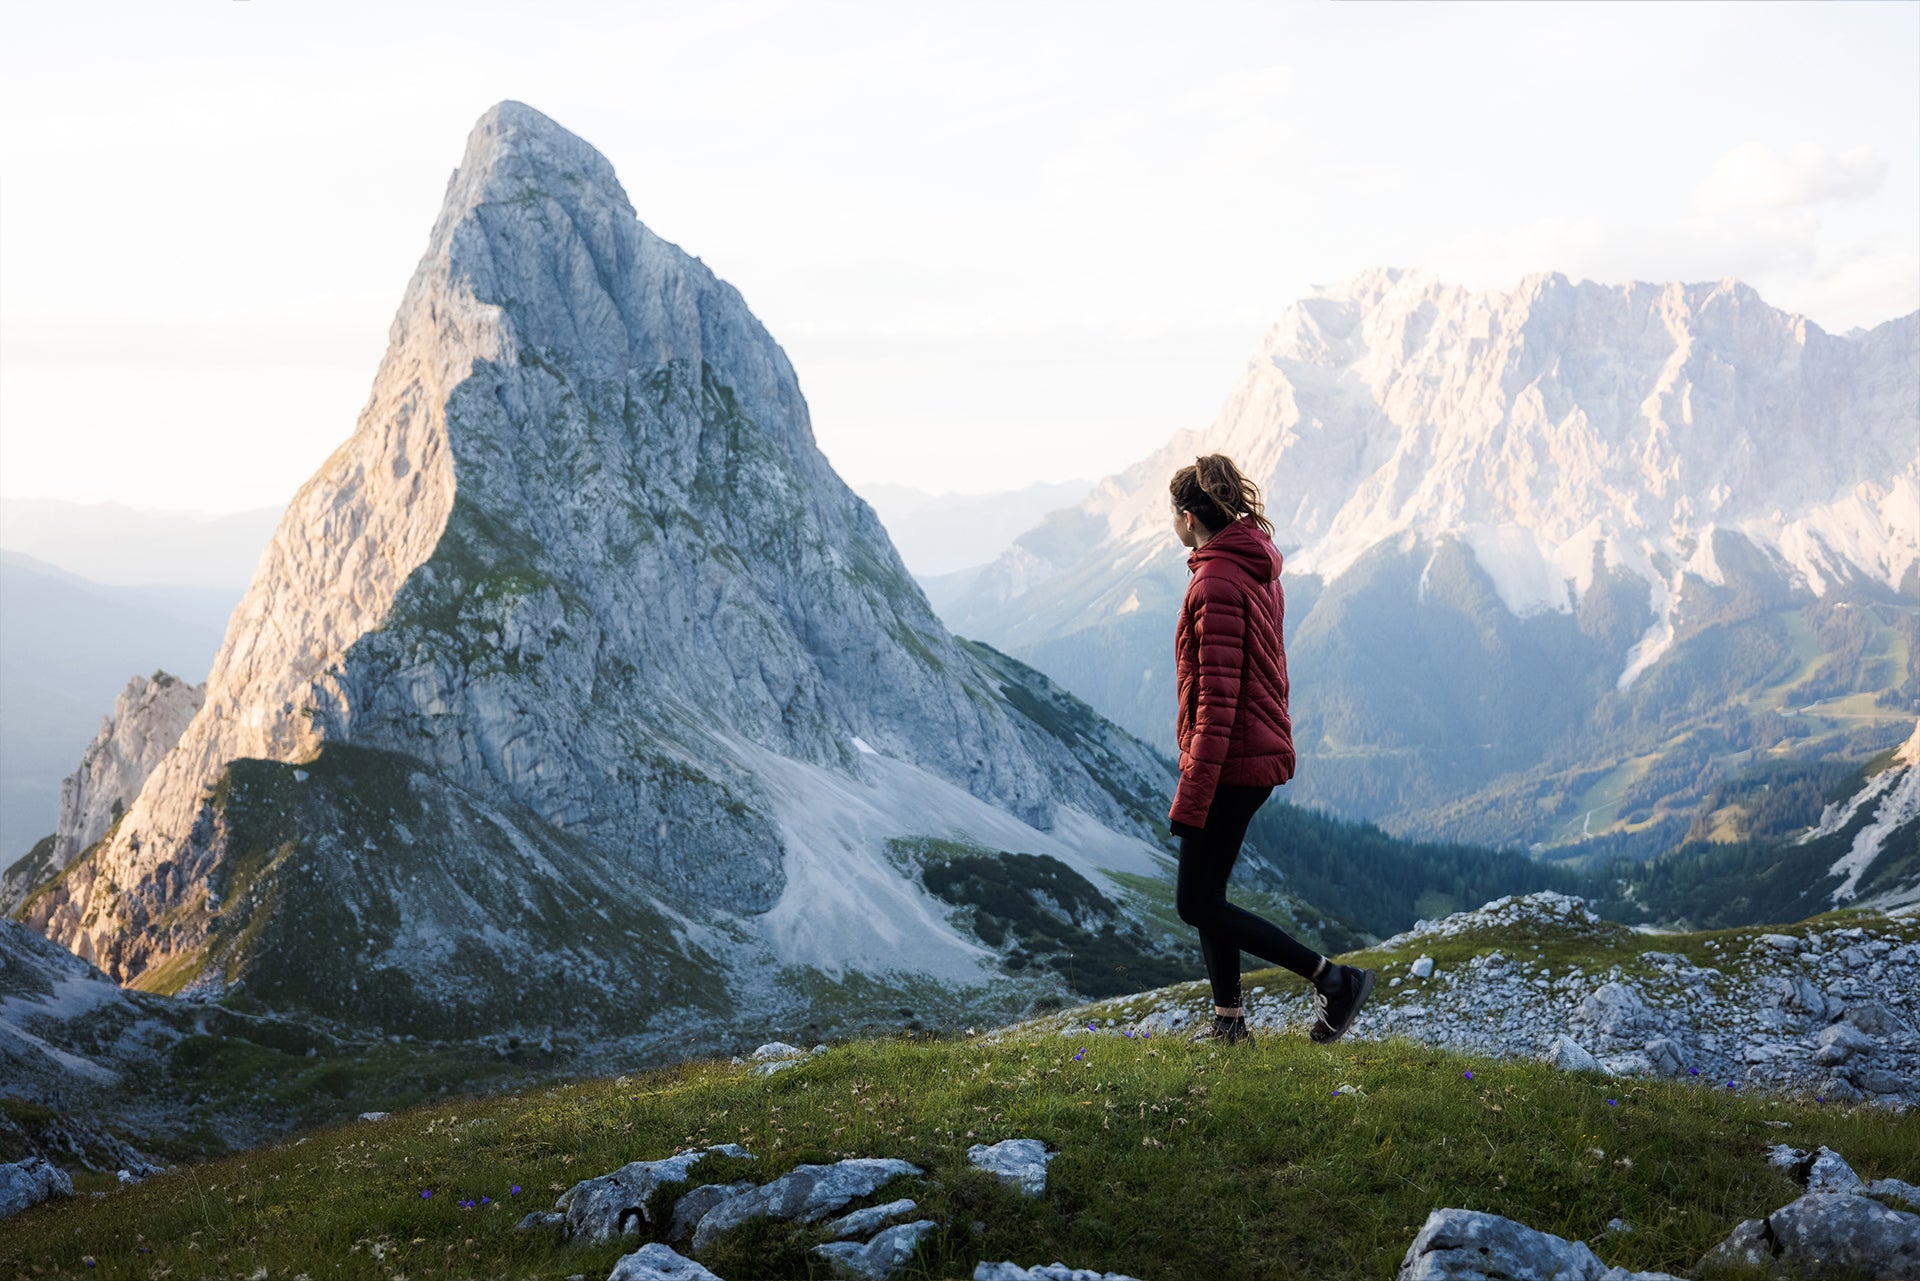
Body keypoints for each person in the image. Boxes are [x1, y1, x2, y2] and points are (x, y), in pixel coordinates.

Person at [1167, 454, 1373, 1046]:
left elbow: (1218, 700)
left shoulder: (1214, 582)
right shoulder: (1250, 566)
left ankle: (1333, 980)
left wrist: (1193, 791)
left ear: (1187, 518)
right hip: (1252, 753)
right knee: (1210, 898)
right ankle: (1230, 1026)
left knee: (1193, 903)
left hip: (1229, 761)